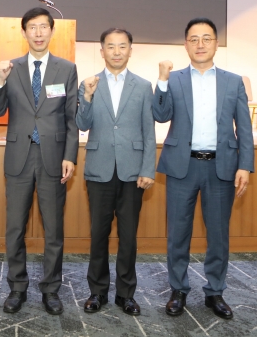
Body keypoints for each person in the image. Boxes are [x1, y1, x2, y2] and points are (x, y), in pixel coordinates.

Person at [153, 17, 254, 320]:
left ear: (216, 44)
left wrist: (245, 165)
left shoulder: (233, 81)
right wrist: (162, 79)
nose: (200, 44)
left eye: (206, 38)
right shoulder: (175, 79)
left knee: (219, 235)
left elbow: (244, 128)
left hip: (221, 167)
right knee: (178, 234)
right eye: (194, 39)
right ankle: (178, 290)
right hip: (182, 166)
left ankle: (215, 292)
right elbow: (160, 114)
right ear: (186, 44)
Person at [0, 7, 78, 315]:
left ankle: (51, 289)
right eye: (32, 27)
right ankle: (17, 287)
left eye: (43, 27)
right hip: (19, 158)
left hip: (53, 157)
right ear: (24, 32)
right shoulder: (10, 68)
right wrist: (0, 81)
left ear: (52, 31)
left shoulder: (66, 69)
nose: (38, 33)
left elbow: (71, 117)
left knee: (53, 230)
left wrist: (70, 155)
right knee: (15, 227)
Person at [75, 28, 156, 316]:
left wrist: (148, 168)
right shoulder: (89, 84)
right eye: (111, 46)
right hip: (99, 169)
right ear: (102, 51)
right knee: (98, 234)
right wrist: (86, 96)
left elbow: (148, 130)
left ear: (130, 50)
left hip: (133, 172)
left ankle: (126, 294)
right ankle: (97, 291)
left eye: (122, 46)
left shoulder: (143, 86)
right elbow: (82, 124)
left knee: (128, 236)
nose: (117, 51)